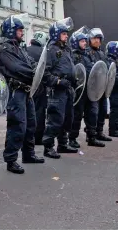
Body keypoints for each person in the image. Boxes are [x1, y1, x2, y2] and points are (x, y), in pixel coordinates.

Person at [0, 15, 46, 174]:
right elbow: (17, 68)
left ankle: (28, 154)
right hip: (16, 92)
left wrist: (36, 69)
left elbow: (31, 63)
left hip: (27, 91)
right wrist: (34, 72)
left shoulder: (20, 48)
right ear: (11, 31)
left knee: (31, 124)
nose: (22, 33)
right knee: (17, 125)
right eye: (19, 30)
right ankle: (11, 160)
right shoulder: (5, 50)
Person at [42, 17, 79, 159]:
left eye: (66, 33)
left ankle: (62, 144)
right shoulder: (51, 49)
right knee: (55, 119)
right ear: (56, 34)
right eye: (63, 33)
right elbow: (45, 72)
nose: (66, 35)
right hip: (57, 90)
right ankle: (48, 146)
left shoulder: (66, 49)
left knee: (67, 118)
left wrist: (73, 79)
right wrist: (57, 81)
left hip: (68, 88)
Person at [68, 26, 104, 147]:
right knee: (77, 116)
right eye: (82, 41)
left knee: (92, 114)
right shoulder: (73, 56)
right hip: (80, 90)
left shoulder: (89, 55)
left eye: (85, 41)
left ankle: (92, 137)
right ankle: (72, 139)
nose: (85, 43)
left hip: (90, 90)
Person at [87, 28, 113, 142]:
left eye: (98, 38)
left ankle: (99, 132)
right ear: (90, 39)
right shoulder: (88, 52)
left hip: (102, 87)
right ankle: (91, 134)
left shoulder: (102, 53)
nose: (97, 41)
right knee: (93, 112)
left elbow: (107, 68)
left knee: (103, 110)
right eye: (94, 38)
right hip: (93, 88)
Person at [26, 31, 49, 146]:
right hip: (40, 87)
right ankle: (38, 137)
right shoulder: (43, 52)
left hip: (26, 87)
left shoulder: (25, 50)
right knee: (39, 113)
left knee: (28, 112)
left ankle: (28, 137)